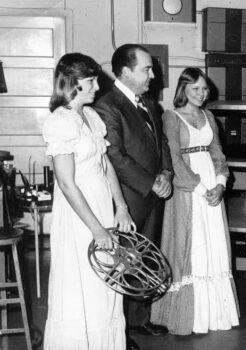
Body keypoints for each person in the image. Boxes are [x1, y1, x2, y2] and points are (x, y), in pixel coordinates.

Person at [42, 53, 135, 349]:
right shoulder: (60, 121)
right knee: (84, 283)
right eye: (91, 80)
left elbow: (105, 166)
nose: (97, 86)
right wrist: (96, 229)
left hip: (102, 208)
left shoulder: (92, 117)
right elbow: (67, 184)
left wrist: (120, 206)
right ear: (72, 83)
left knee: (108, 282)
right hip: (79, 216)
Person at [94, 44, 172, 350]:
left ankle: (140, 319)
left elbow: (161, 142)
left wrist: (165, 174)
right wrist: (150, 182)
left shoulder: (150, 102)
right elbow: (114, 154)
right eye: (147, 69)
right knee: (125, 261)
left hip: (153, 193)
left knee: (146, 260)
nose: (153, 74)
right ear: (125, 72)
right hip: (127, 198)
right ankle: (120, 331)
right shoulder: (107, 104)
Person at [150, 67, 239, 335]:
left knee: (213, 244)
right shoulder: (171, 117)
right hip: (189, 190)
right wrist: (201, 189)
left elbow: (218, 154)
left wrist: (220, 185)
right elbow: (175, 159)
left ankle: (214, 314)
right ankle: (189, 316)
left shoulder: (209, 116)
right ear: (183, 90)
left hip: (212, 185)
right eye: (195, 89)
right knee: (192, 245)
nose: (202, 94)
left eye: (204, 89)